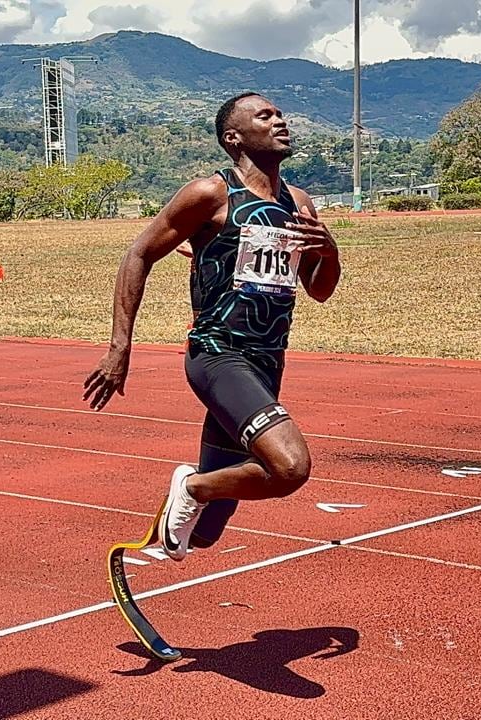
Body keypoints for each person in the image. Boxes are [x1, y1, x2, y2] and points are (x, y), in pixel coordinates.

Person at [84, 92, 341, 560]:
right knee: (289, 468)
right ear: (234, 136)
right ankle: (194, 486)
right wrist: (120, 347)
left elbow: (319, 290)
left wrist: (329, 251)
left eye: (280, 114)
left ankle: (197, 496)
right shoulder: (211, 194)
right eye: (265, 116)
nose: (280, 121)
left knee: (204, 534)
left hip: (268, 362)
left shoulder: (298, 202)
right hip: (219, 355)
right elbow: (138, 254)